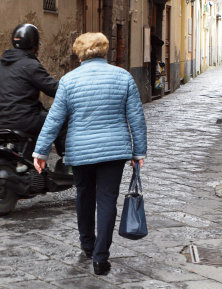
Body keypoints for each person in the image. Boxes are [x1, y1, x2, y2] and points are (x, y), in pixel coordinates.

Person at [32, 32, 147, 275]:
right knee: (107, 200)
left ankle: (87, 245)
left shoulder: (69, 81)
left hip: (81, 150)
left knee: (84, 195)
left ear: (79, 52)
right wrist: (139, 152)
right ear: (105, 51)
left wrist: (40, 151)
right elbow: (136, 117)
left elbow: (54, 119)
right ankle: (100, 257)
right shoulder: (123, 77)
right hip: (114, 151)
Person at [0, 23, 66, 156]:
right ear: (34, 45)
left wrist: (9, 105)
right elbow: (53, 89)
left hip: (4, 122)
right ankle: (66, 159)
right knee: (61, 119)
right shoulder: (30, 65)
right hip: (28, 121)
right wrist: (71, 89)